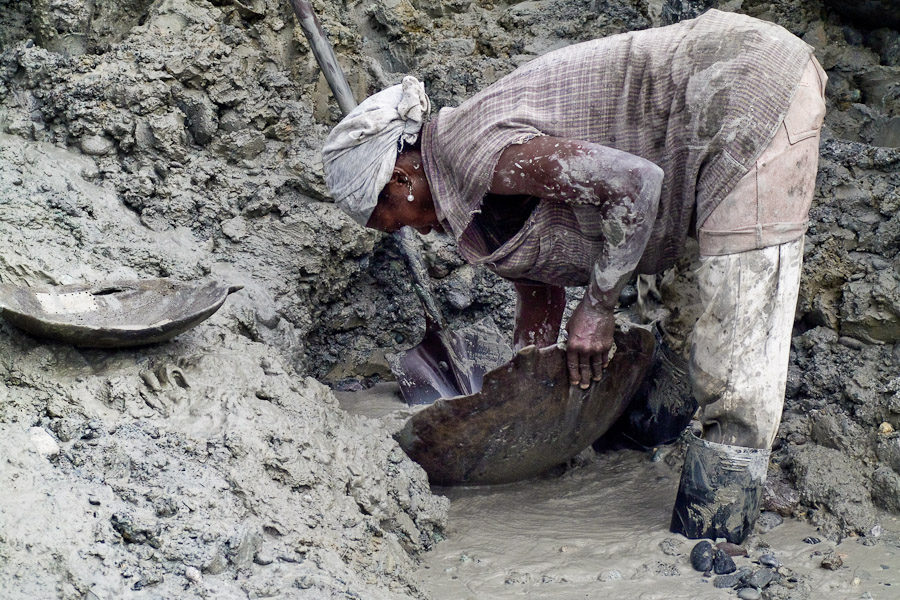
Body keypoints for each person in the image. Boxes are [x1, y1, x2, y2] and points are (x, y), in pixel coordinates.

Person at [321, 9, 826, 544]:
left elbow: (636, 183)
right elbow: (538, 282)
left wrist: (599, 305)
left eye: (389, 219)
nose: (409, 233)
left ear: (400, 179)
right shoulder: (459, 199)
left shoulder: (473, 153)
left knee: (735, 345)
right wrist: (523, 388)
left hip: (742, 88)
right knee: (677, 328)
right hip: (689, 137)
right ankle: (649, 442)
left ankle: (716, 537)